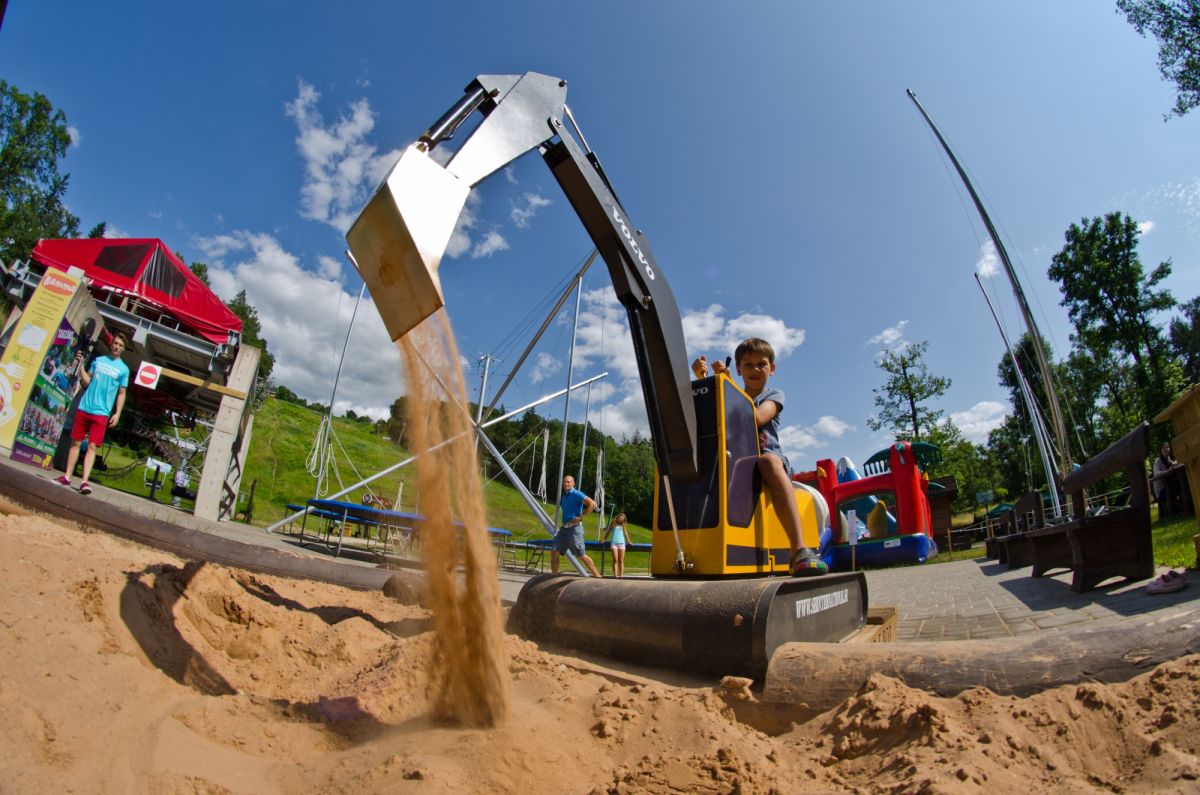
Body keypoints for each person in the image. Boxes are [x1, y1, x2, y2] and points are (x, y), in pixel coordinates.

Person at [692, 337, 828, 577]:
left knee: (768, 461)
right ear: (738, 369)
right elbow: (710, 412)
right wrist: (702, 378)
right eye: (748, 364)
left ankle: (799, 549)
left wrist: (728, 384)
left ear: (772, 368)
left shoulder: (773, 395)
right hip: (737, 461)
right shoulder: (731, 395)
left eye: (761, 364)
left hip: (769, 458)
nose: (755, 369)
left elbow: (756, 417)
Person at [53, 332, 130, 495]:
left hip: (102, 413)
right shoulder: (98, 361)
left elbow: (122, 393)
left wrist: (117, 413)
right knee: (75, 442)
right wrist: (81, 365)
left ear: (123, 349)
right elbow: (86, 382)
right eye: (115, 343)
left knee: (92, 446)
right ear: (111, 344)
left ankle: (84, 482)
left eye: (120, 345)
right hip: (84, 407)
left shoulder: (124, 370)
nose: (117, 347)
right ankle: (67, 477)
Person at [551, 474, 601, 576]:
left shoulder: (577, 494)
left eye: (568, 482)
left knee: (580, 555)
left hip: (575, 529)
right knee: (554, 551)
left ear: (573, 484)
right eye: (564, 482)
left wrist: (581, 517)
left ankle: (597, 575)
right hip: (564, 530)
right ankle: (554, 575)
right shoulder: (564, 497)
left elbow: (592, 504)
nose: (566, 484)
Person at [1152, 441, 1183, 516]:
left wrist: (1171, 462)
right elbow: (1156, 473)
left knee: (1182, 483)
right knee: (1176, 485)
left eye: (1168, 447)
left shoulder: (1172, 458)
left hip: (1171, 485)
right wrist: (1168, 471)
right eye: (1164, 448)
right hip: (1161, 490)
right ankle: (1177, 508)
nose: (1166, 449)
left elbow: (1179, 464)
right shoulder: (1158, 461)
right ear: (1160, 451)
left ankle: (1184, 505)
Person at [601, 512, 630, 578]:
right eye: (620, 517)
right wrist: (604, 539)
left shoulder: (623, 525)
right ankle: (615, 575)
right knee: (615, 560)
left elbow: (625, 533)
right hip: (614, 543)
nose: (620, 519)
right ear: (617, 517)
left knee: (621, 560)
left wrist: (629, 541)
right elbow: (608, 532)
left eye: (622, 518)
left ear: (624, 519)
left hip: (621, 543)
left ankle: (621, 575)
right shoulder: (613, 523)